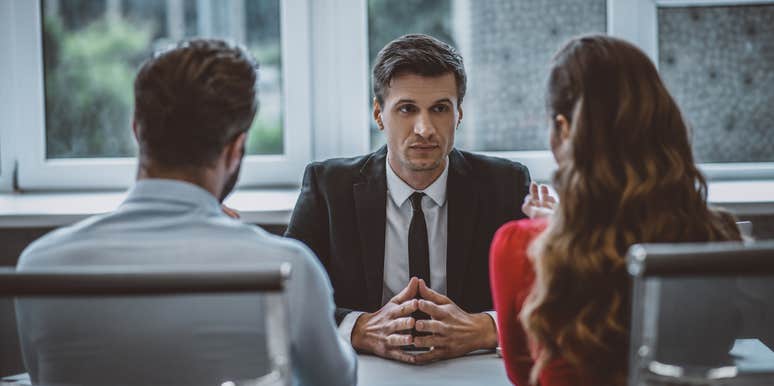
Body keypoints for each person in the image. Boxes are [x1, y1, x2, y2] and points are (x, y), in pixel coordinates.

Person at [16, 39, 356, 386]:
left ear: (136, 129)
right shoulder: (288, 270)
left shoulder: (39, 265)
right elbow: (335, 381)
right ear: (235, 149)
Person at [489, 34, 743, 386]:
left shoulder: (520, 246)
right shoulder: (716, 238)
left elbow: (522, 375)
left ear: (564, 130)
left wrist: (550, 229)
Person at [285, 34, 531, 363]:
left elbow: (546, 299)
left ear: (459, 113)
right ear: (378, 114)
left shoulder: (506, 185)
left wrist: (486, 328)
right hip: (364, 371)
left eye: (440, 109)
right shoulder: (329, 187)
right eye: (407, 109)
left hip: (474, 370)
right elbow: (287, 296)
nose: (424, 128)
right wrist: (357, 329)